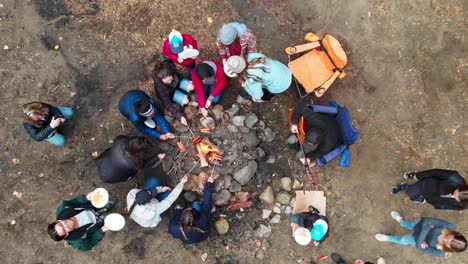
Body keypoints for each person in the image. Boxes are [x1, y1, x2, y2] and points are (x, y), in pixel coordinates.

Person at [375, 211, 467, 258]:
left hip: (415, 238)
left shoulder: (443, 253)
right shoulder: (450, 226)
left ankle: (388, 238)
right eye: (450, 237)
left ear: (450, 249)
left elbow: (419, 246)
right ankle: (402, 221)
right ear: (456, 234)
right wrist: (423, 239)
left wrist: (427, 229)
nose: (446, 239)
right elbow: (428, 220)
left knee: (403, 240)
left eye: (447, 243)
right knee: (410, 224)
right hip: (419, 227)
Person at [47, 192, 116, 251]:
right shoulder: (80, 243)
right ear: (66, 235)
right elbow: (89, 244)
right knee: (115, 219)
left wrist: (85, 198)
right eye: (64, 230)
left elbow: (74, 202)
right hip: (97, 224)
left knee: (100, 206)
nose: (65, 225)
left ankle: (104, 208)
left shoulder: (63, 209)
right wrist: (100, 231)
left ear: (59, 220)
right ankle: (106, 216)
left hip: (89, 208)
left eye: (61, 224)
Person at [96, 135, 165, 183]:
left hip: (103, 160)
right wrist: (157, 158)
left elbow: (119, 137)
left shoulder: (121, 141)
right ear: (139, 153)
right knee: (129, 173)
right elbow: (145, 165)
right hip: (112, 176)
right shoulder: (133, 163)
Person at [225, 54, 292, 102]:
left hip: (281, 85)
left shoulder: (250, 79)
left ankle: (265, 100)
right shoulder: (252, 56)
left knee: (259, 97)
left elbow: (258, 95)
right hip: (284, 70)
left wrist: (245, 86)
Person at [390, 169, 467, 209]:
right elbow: (435, 172)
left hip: (431, 196)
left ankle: (419, 198)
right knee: (409, 192)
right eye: (455, 192)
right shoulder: (454, 177)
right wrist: (417, 176)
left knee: (413, 195)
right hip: (426, 185)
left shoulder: (462, 205)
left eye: (456, 198)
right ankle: (406, 186)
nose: (453, 196)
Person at [168, 176, 214, 244]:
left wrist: (177, 211)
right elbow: (207, 203)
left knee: (177, 207)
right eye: (191, 210)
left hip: (188, 239)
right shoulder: (202, 220)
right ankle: (196, 204)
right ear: (196, 217)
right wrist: (209, 184)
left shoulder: (173, 228)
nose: (189, 208)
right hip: (203, 235)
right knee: (196, 204)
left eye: (187, 210)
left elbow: (175, 217)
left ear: (181, 219)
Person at [152, 60, 193, 126]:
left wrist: (182, 84)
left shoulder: (171, 68)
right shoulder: (160, 89)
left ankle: (181, 91)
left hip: (176, 84)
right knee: (186, 101)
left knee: (192, 87)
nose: (170, 82)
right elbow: (168, 104)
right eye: (167, 81)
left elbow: (179, 77)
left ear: (171, 73)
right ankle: (179, 93)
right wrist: (180, 116)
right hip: (171, 93)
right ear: (161, 79)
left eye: (170, 79)